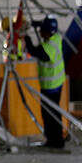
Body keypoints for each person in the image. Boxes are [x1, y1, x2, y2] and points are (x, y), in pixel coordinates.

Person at [24, 16, 67, 151]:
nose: (41, 33)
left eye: (42, 31)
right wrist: (30, 24)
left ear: (48, 32)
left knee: (51, 115)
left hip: (51, 86)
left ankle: (56, 141)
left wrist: (25, 36)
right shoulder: (56, 38)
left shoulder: (49, 48)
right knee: (49, 113)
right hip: (54, 83)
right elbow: (43, 25)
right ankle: (52, 139)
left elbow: (34, 51)